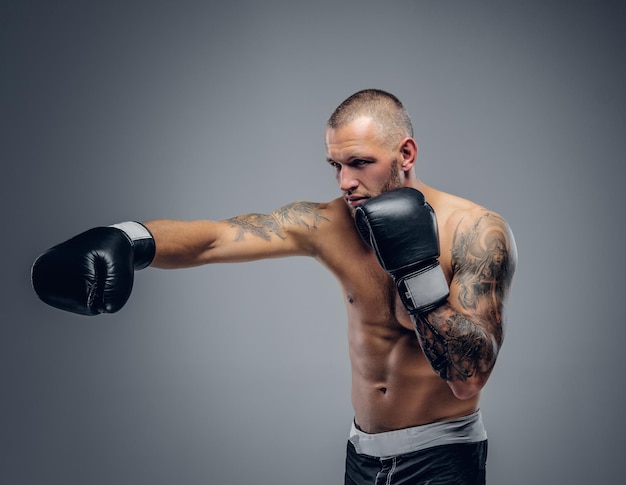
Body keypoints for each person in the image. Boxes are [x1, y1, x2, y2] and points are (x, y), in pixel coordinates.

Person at [32, 89, 517, 484]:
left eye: (359, 163)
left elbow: (467, 378)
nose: (345, 182)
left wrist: (417, 271)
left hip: (442, 458)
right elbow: (216, 239)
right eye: (335, 166)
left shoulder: (474, 231)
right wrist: (130, 238)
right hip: (362, 455)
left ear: (405, 153)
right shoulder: (330, 222)